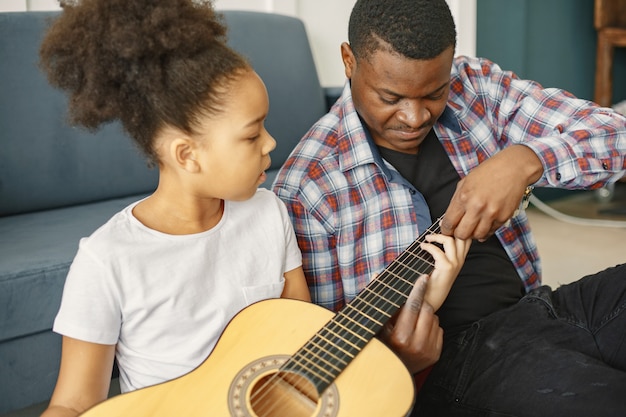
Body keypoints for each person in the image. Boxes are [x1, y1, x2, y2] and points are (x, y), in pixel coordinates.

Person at [273, 0, 626, 415]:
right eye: (391, 97)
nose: (415, 116)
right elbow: (323, 369)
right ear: (349, 61)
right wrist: (398, 358)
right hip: (459, 362)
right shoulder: (307, 187)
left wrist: (527, 159)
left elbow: (615, 133)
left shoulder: (473, 85)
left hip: (543, 308)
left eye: (434, 93)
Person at [37, 0, 313, 415]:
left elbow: (301, 335)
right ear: (187, 155)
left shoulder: (269, 214)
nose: (271, 143)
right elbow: (75, 402)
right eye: (252, 134)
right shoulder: (107, 260)